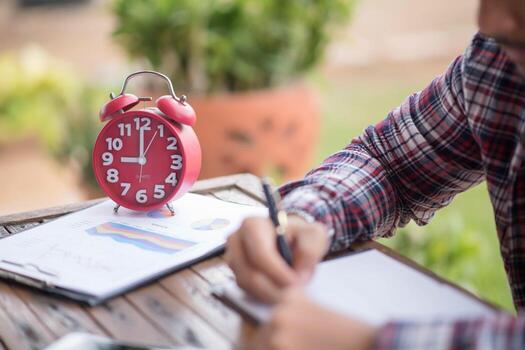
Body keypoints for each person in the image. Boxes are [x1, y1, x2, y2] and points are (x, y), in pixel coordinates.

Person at [224, 0, 525, 349]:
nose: (490, 20)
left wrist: (371, 342)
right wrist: (306, 215)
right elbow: (390, 164)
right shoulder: (499, 63)